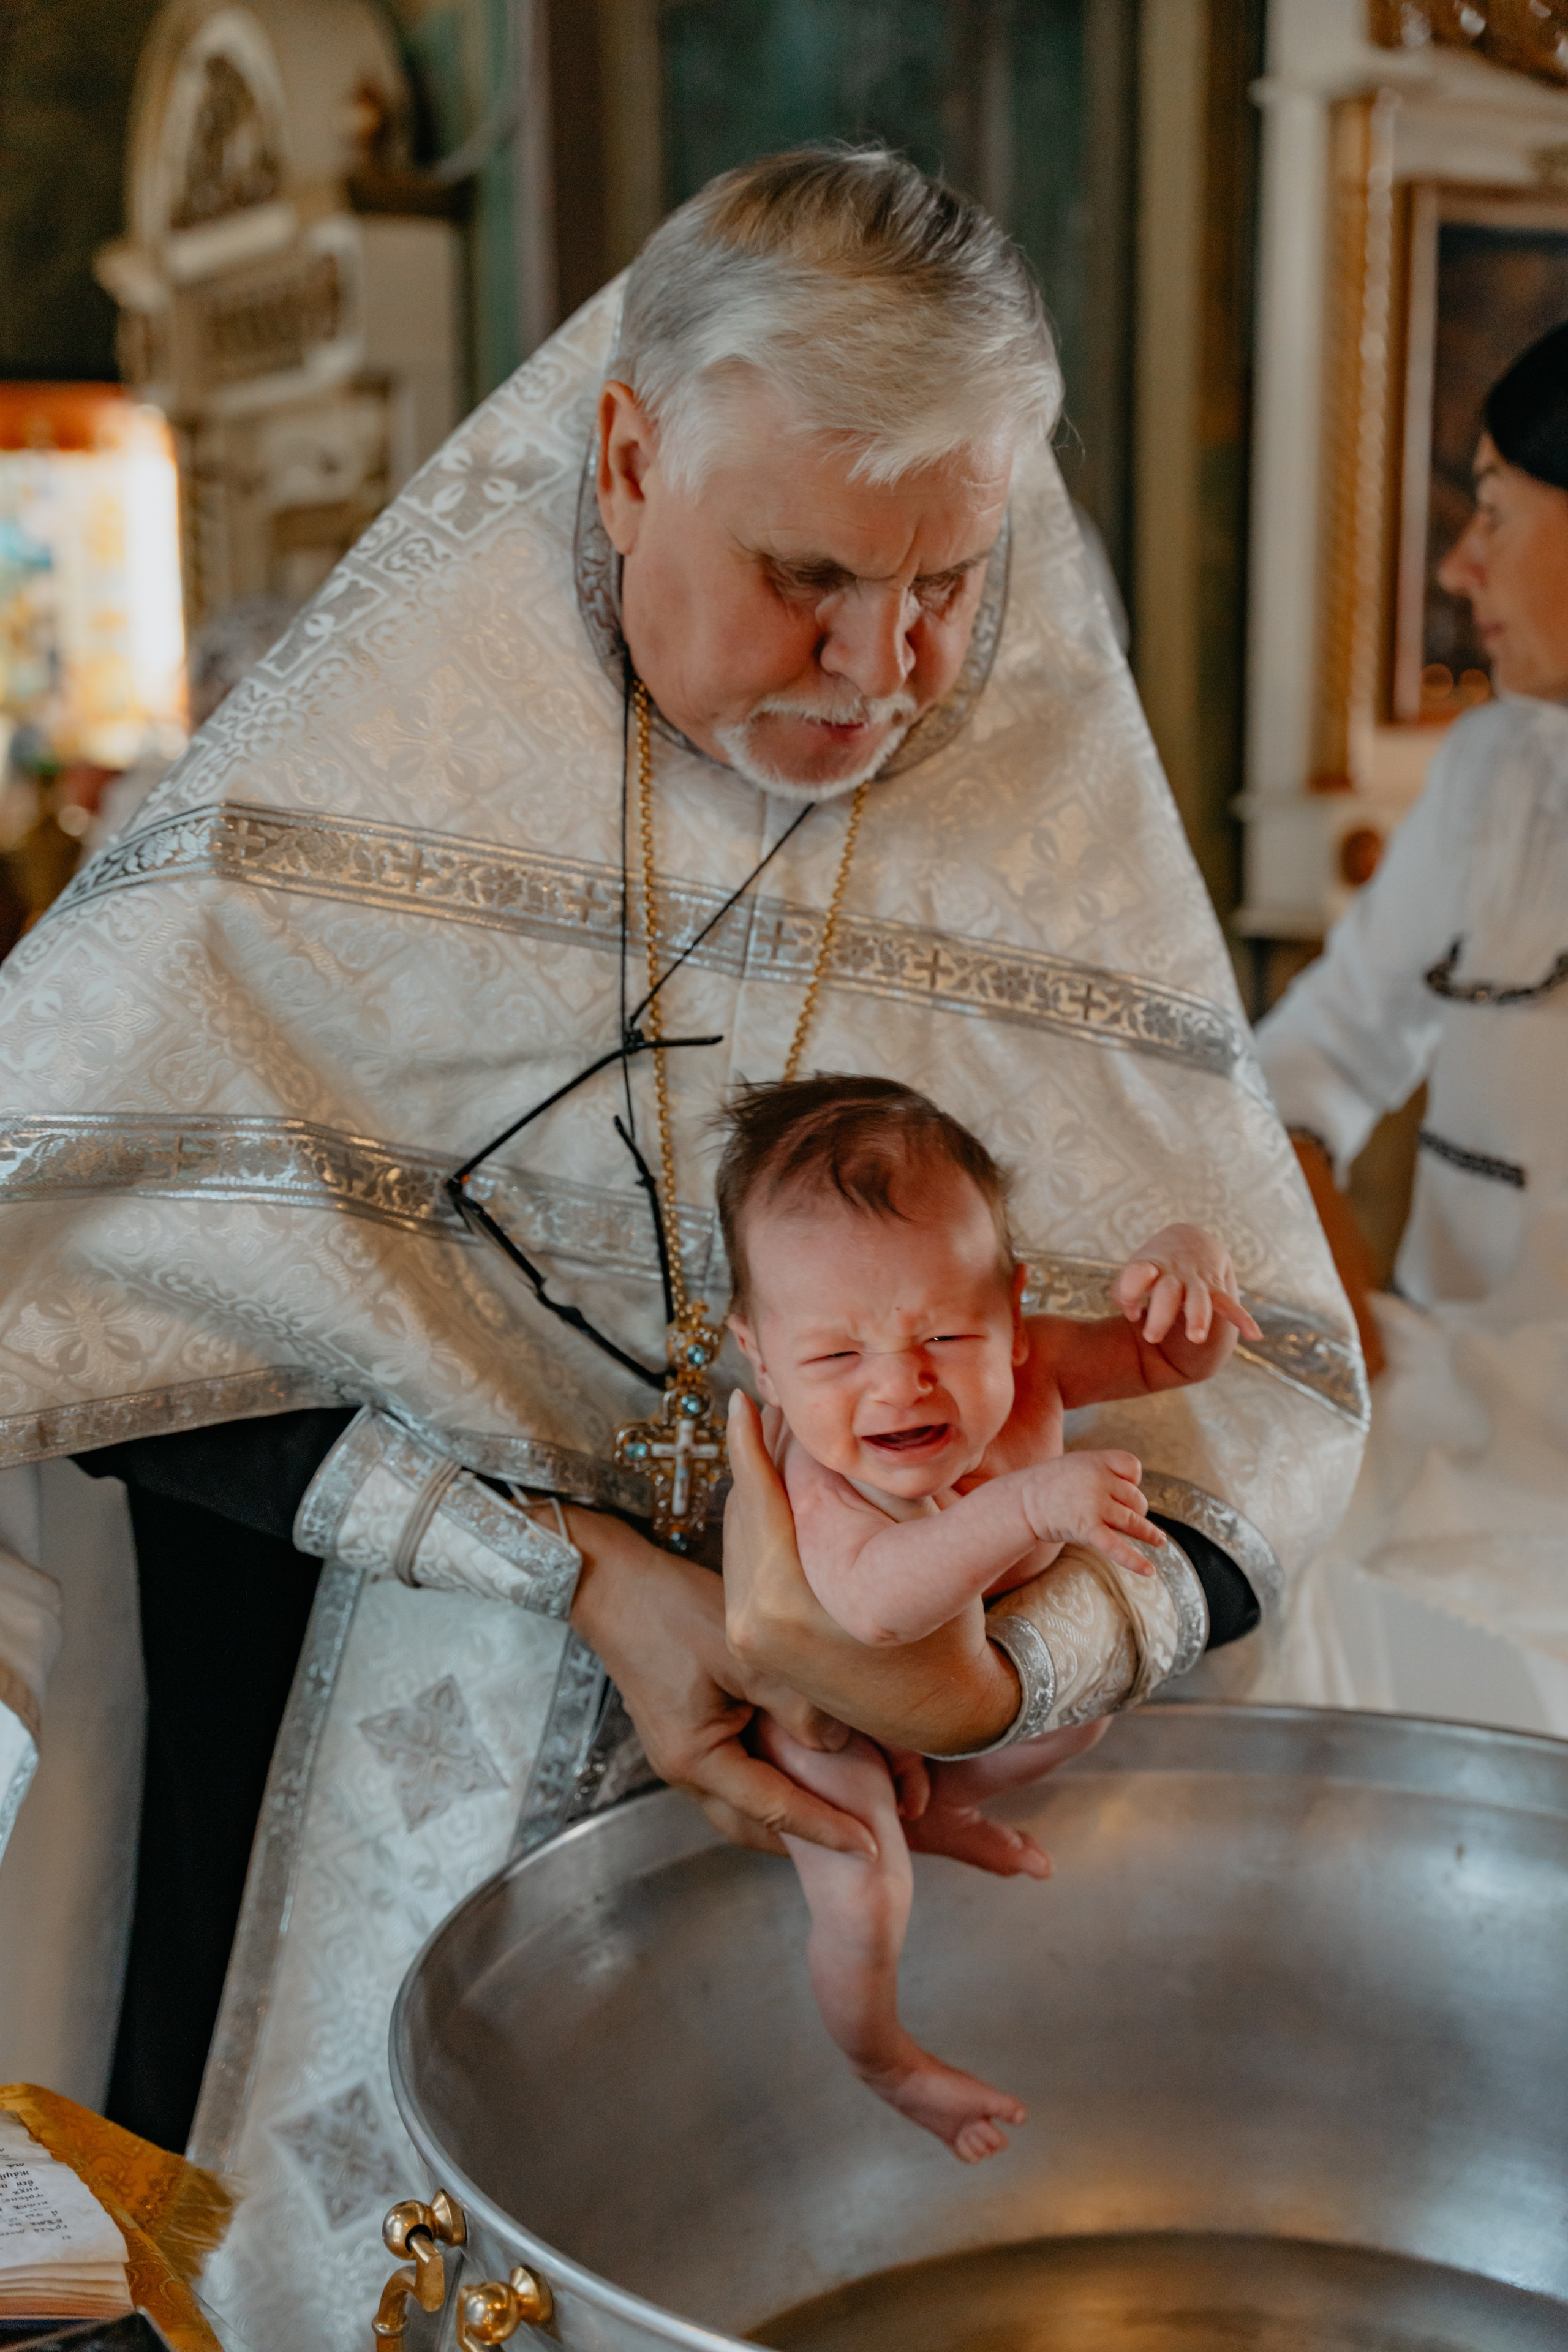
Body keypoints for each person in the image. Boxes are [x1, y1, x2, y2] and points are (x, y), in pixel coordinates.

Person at [0, 148, 1360, 2348]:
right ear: (628, 456)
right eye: (807, 576)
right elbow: (92, 1305)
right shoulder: (336, 806)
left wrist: (1008, 1667)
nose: (883, 669)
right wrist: (593, 1573)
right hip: (364, 1764)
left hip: (875, 1857)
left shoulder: (1022, 796)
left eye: (944, 584)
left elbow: (1263, 1388)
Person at [716, 1074, 1257, 2160]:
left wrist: (1188, 1271)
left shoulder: (1033, 1363)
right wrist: (1024, 1506)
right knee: (866, 1888)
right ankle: (888, 2061)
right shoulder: (820, 1482)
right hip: (818, 1719)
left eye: (946, 1338)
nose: (899, 1388)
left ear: (1011, 1315)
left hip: (978, 1693)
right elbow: (872, 1609)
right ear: (761, 1358)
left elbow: (1167, 1358)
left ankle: (943, 1801)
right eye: (834, 1356)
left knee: (1083, 1715)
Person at [1256, 320, 1568, 1735]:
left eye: (1493, 512)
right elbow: (1314, 1049)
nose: (1458, 566)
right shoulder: (1495, 768)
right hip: (1437, 1422)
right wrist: (1303, 1195)